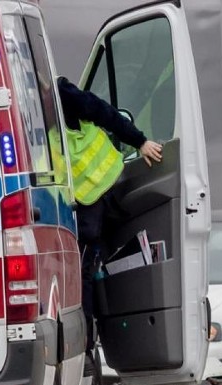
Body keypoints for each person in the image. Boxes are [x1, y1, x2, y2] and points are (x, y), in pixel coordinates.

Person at [57, 77, 164, 357]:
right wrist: (139, 142)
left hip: (94, 196)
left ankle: (88, 345)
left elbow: (100, 110)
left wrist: (139, 141)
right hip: (88, 197)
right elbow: (102, 111)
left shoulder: (54, 96)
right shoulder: (49, 96)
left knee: (86, 270)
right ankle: (91, 343)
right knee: (88, 269)